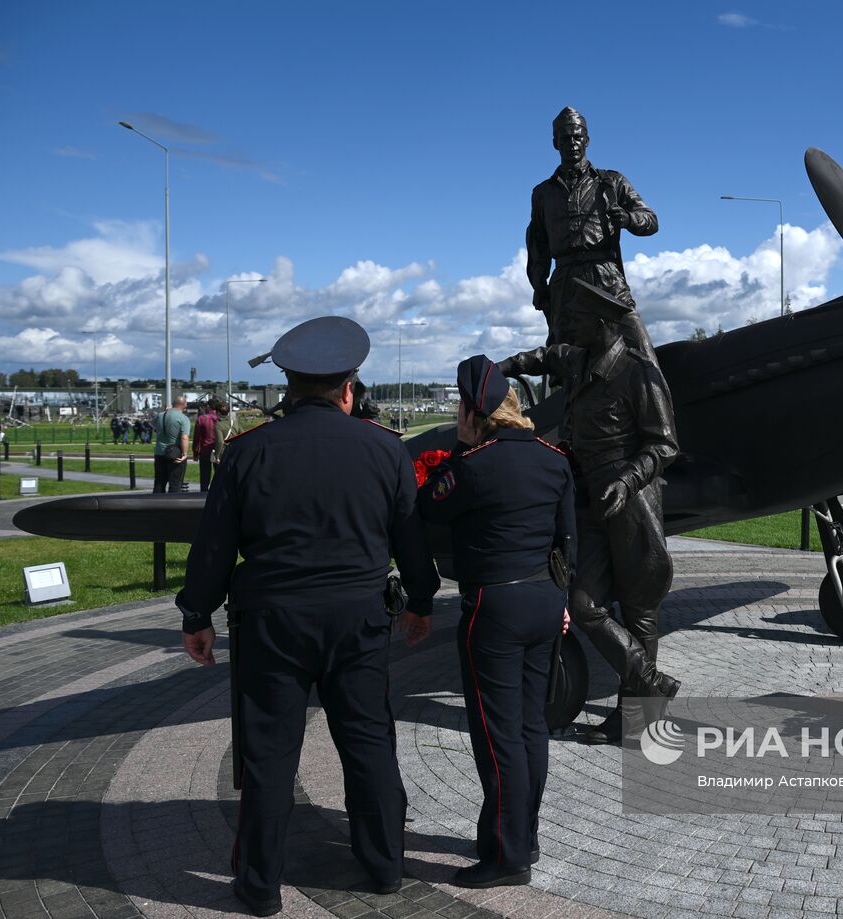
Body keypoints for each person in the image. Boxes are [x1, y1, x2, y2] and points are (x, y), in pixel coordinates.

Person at [176, 315, 441, 917]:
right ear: (349, 387)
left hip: (272, 623)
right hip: (359, 620)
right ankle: (384, 868)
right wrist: (421, 602)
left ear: (288, 388)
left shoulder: (245, 452)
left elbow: (214, 547)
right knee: (370, 743)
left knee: (269, 754)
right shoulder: (386, 450)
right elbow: (411, 540)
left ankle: (261, 886)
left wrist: (197, 614)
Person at [498, 279, 680, 745]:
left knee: (640, 613)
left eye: (576, 319)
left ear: (601, 323)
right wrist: (499, 368)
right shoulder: (577, 358)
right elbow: (541, 356)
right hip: (588, 498)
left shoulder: (639, 373)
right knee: (585, 605)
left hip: (631, 500)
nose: (568, 327)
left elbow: (664, 443)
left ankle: (635, 722)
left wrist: (627, 480)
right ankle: (651, 683)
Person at [417, 355, 574, 889]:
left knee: (497, 734)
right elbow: (565, 541)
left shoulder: (473, 465)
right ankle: (522, 835)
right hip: (546, 601)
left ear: (472, 413)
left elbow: (428, 507)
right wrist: (563, 599)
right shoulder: (554, 460)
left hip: (495, 608)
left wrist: (459, 450)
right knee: (531, 727)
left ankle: (508, 858)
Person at [526, 107, 658, 360]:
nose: (572, 144)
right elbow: (537, 243)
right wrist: (539, 285)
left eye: (577, 137)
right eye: (565, 138)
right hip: (565, 282)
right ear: (555, 143)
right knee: (565, 359)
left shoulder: (611, 182)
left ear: (587, 140)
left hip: (605, 276)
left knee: (639, 349)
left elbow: (651, 220)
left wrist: (629, 218)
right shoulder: (543, 193)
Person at [152, 398, 190, 494]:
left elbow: (155, 428)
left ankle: (155, 506)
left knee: (159, 482)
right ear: (184, 405)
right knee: (175, 483)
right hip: (174, 453)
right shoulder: (183, 418)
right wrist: (185, 454)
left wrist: (166, 412)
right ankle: (173, 506)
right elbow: (184, 437)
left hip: (159, 452)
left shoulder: (160, 416)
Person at [193, 401, 218, 491]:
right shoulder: (220, 418)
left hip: (205, 450)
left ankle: (203, 496)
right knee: (219, 476)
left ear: (208, 406)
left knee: (204, 477)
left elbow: (197, 438)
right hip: (218, 450)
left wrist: (195, 452)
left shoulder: (202, 419)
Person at [212, 400, 232, 470]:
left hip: (222, 454)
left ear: (218, 412)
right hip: (233, 453)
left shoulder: (218, 425)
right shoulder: (235, 423)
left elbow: (220, 442)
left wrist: (216, 456)